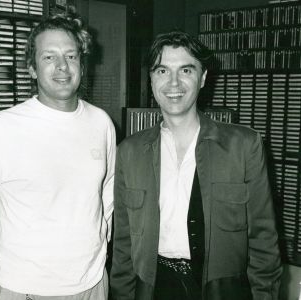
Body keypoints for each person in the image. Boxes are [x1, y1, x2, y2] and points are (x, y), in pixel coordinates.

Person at [0, 10, 116, 300]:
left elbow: (107, 195)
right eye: (49, 57)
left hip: (92, 285)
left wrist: (97, 253)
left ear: (82, 64)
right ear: (32, 68)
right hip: (24, 288)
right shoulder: (2, 127)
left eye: (71, 56)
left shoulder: (101, 122)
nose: (62, 66)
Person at [110, 30, 282, 300]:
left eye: (186, 70)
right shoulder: (129, 152)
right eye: (162, 71)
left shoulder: (243, 145)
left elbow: (264, 242)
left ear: (202, 78)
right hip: (153, 287)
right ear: (151, 79)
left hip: (222, 289)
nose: (173, 83)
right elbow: (122, 245)